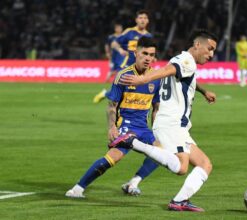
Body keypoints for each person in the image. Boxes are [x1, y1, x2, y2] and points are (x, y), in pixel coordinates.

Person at [109, 29, 218, 212]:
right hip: (171, 122)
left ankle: (180, 201)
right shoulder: (185, 62)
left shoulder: (182, 60)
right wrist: (143, 79)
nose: (211, 54)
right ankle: (133, 142)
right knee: (182, 167)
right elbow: (167, 71)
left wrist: (204, 91)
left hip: (176, 125)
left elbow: (183, 76)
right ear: (198, 44)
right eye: (210, 49)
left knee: (205, 164)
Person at [66, 37, 160, 198]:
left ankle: (133, 183)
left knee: (161, 153)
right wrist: (112, 127)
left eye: (151, 55)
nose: (148, 58)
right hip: (125, 125)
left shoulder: (156, 78)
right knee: (113, 158)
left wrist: (157, 129)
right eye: (145, 53)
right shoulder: (123, 76)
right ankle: (77, 189)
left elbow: (156, 108)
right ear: (136, 53)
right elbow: (111, 105)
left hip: (143, 128)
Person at [93, 9, 152, 103]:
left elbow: (150, 51)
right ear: (136, 20)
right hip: (127, 66)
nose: (143, 20)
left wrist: (152, 58)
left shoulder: (149, 36)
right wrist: (120, 50)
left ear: (148, 20)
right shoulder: (129, 32)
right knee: (118, 93)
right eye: (140, 18)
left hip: (141, 68)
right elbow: (114, 43)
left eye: (145, 18)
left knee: (137, 92)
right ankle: (106, 95)